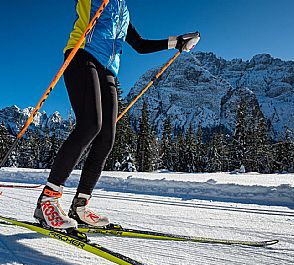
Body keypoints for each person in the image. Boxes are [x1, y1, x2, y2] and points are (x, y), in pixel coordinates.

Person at [34, 0, 200, 230]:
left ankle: (80, 206)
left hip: (108, 70)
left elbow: (140, 45)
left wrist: (177, 42)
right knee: (90, 125)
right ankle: (47, 201)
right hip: (82, 56)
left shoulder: (123, 11)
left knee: (106, 137)